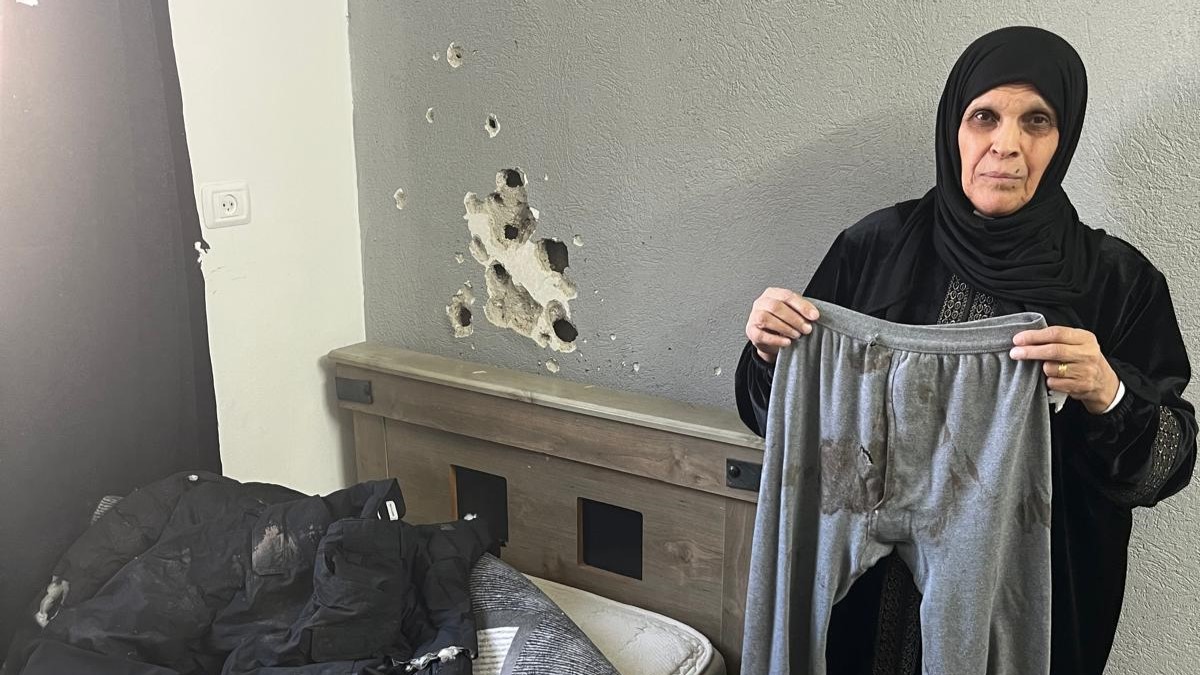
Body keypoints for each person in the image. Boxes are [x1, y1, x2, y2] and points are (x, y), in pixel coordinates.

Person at [735, 26, 1196, 675]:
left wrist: (1108, 391)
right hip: (864, 619)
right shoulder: (875, 248)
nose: (1006, 144)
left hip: (1039, 602)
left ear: (1063, 137)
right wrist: (771, 352)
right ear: (954, 126)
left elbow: (1165, 470)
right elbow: (779, 420)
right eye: (985, 117)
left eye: (1036, 121)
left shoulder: (1119, 282)